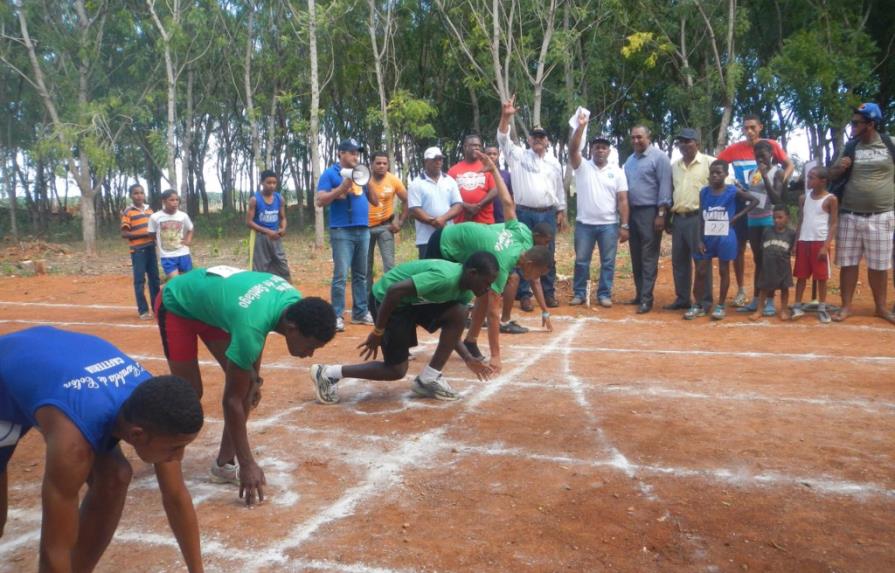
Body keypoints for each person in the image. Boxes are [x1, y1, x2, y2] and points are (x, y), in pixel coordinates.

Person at [0, 327, 204, 572]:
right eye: (175, 448)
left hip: (46, 365)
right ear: (136, 434)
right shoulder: (73, 445)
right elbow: (55, 550)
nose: (178, 456)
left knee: (115, 476)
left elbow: (176, 498)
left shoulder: (157, 406)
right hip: (10, 378)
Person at [154, 267, 336, 505]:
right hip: (177, 303)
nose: (310, 354)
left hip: (214, 309)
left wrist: (253, 380)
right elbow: (231, 400)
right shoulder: (251, 326)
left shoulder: (292, 303)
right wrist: (248, 463)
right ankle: (152, 439)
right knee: (189, 393)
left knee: (247, 390)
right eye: (310, 346)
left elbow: (249, 363)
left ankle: (224, 465)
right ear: (292, 329)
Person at [423, 150, 553, 373]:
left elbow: (507, 202)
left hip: (461, 242)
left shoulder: (522, 235)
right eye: (538, 274)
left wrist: (494, 171)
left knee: (482, 293)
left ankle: (471, 341)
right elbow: (493, 314)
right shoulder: (502, 265)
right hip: (444, 244)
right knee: (445, 301)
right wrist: (496, 356)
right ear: (530, 265)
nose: (537, 279)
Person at [308, 253, 499, 403]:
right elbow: (394, 291)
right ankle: (327, 373)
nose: (488, 288)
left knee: (459, 312)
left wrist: (467, 358)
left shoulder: (465, 292)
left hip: (411, 303)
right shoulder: (445, 278)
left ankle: (429, 378)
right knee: (396, 370)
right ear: (472, 273)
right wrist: (378, 331)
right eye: (486, 282)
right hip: (387, 300)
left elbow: (453, 331)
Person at [717, 114, 794, 308]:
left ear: (760, 127)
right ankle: (744, 292)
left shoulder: (771, 146)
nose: (749, 131)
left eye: (753, 127)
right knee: (741, 249)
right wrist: (730, 187)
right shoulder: (734, 150)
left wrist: (780, 186)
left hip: (767, 211)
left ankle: (768, 298)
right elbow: (717, 166)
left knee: (767, 255)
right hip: (746, 208)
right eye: (746, 128)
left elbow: (789, 165)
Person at [497, 95, 566, 309]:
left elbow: (559, 188)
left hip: (547, 213)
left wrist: (561, 210)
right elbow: (502, 138)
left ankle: (548, 293)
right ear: (529, 140)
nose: (538, 139)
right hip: (524, 213)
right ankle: (525, 295)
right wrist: (506, 117)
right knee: (523, 253)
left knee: (548, 254)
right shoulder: (518, 156)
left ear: (547, 141)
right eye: (534, 137)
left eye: (541, 137)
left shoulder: (554, 163)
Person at [829, 102, 895, 324]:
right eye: (853, 122)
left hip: (882, 214)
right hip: (850, 214)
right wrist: (841, 167)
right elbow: (834, 175)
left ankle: (880, 308)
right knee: (848, 263)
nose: (853, 125)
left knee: (879, 265)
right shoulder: (850, 147)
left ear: (871, 124)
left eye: (857, 122)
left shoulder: (889, 144)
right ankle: (846, 306)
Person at [317, 138, 380, 332]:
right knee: (341, 275)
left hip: (363, 229)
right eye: (351, 152)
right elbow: (320, 201)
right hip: (342, 230)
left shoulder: (361, 173)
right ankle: (336, 315)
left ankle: (360, 313)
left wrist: (367, 182)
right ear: (340, 154)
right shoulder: (330, 174)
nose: (355, 156)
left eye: (357, 153)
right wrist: (341, 189)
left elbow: (376, 202)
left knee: (361, 274)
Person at [568, 111, 630, 307]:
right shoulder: (582, 167)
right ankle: (578, 293)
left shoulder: (617, 172)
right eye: (597, 147)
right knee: (581, 262)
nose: (600, 150)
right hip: (584, 225)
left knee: (608, 263)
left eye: (604, 148)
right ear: (591, 150)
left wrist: (625, 225)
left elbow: (623, 200)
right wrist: (581, 127)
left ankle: (604, 294)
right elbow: (573, 149)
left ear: (609, 152)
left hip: (609, 226)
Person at [686, 160, 758, 320]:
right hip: (707, 236)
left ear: (726, 174)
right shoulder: (704, 192)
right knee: (700, 271)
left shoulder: (732, 191)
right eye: (712, 173)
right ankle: (697, 304)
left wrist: (738, 216)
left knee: (723, 270)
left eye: (718, 173)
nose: (715, 176)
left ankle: (720, 305)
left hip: (725, 236)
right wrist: (699, 239)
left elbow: (755, 200)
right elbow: (700, 217)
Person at [622, 124, 672, 313]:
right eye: (633, 137)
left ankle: (647, 299)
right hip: (633, 212)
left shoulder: (659, 158)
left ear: (648, 137)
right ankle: (639, 293)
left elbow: (665, 187)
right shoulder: (630, 160)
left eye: (639, 137)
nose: (636, 140)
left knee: (648, 257)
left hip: (651, 212)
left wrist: (661, 214)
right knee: (635, 256)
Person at [734, 140, 786, 316]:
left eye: (763, 155)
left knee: (768, 261)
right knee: (758, 260)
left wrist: (765, 176)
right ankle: (757, 299)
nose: (759, 158)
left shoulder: (777, 172)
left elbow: (777, 199)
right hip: (752, 220)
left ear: (771, 154)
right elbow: (754, 197)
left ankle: (770, 300)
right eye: (756, 155)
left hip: (768, 221)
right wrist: (742, 191)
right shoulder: (752, 173)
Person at [667, 128, 715, 313]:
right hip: (679, 218)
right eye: (681, 142)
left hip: (699, 219)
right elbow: (672, 192)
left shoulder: (709, 163)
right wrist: (668, 218)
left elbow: (724, 188)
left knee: (702, 261)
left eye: (688, 141)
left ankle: (704, 301)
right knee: (679, 261)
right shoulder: (675, 166)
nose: (684, 145)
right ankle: (682, 298)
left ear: (698, 144)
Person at [792, 166, 839, 323]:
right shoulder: (803, 198)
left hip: (819, 242)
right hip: (804, 241)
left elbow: (833, 224)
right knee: (801, 276)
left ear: (823, 181)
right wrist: (795, 242)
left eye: (812, 177)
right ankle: (797, 305)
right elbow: (800, 221)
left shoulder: (830, 199)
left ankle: (822, 307)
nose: (808, 180)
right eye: (808, 177)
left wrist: (826, 246)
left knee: (821, 277)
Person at [408, 146, 463, 258]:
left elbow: (458, 205)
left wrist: (442, 219)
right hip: (425, 238)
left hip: (447, 235)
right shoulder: (416, 183)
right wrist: (434, 222)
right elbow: (415, 210)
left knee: (448, 269)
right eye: (434, 159)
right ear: (425, 162)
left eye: (440, 159)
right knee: (428, 270)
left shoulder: (449, 181)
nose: (438, 162)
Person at [366, 151, 408, 285]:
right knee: (366, 266)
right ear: (371, 164)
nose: (381, 166)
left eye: (384, 163)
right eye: (378, 163)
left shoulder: (393, 180)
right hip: (364, 229)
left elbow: (407, 200)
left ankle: (387, 296)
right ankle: (367, 299)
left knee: (389, 265)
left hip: (385, 226)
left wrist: (400, 221)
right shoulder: (363, 180)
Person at [121, 183, 160, 319]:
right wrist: (145, 235)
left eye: (141, 193)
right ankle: (143, 310)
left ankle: (157, 308)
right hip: (138, 250)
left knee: (154, 279)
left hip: (151, 248)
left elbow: (156, 229)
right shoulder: (128, 212)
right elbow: (124, 234)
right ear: (131, 196)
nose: (139, 195)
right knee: (139, 280)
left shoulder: (150, 211)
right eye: (136, 193)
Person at [750, 206, 796, 321]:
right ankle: (759, 310)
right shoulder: (767, 231)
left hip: (784, 266)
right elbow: (762, 247)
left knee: (784, 289)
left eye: (780, 217)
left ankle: (784, 310)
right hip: (768, 265)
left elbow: (792, 249)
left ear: (787, 218)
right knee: (764, 288)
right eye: (774, 217)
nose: (777, 220)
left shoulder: (791, 234)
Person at [246, 169, 291, 281]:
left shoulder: (279, 199)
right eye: (268, 183)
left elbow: (283, 217)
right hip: (260, 238)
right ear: (262, 183)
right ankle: (260, 293)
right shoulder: (255, 200)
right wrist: (267, 231)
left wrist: (283, 228)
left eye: (274, 183)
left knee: (282, 264)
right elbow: (249, 222)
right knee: (260, 268)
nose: (272, 185)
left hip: (275, 237)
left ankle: (286, 291)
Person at [448, 134, 499, 224]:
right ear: (465, 147)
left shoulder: (488, 167)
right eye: (473, 145)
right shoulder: (453, 170)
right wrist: (466, 206)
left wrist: (478, 206)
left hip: (485, 221)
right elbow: (448, 194)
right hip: (461, 222)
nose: (477, 148)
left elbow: (495, 190)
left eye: (479, 146)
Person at [148, 189, 194, 278]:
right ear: (164, 201)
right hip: (167, 256)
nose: (175, 203)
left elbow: (190, 229)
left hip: (183, 254)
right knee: (176, 281)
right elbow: (151, 233)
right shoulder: (155, 217)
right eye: (171, 200)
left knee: (187, 281)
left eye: (177, 200)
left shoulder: (183, 216)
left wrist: (188, 240)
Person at [485, 144, 513, 223]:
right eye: (489, 154)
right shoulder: (480, 174)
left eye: (494, 154)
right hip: (484, 217)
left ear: (499, 154)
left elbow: (512, 197)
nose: (492, 156)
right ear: (484, 155)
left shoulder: (507, 175)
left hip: (502, 218)